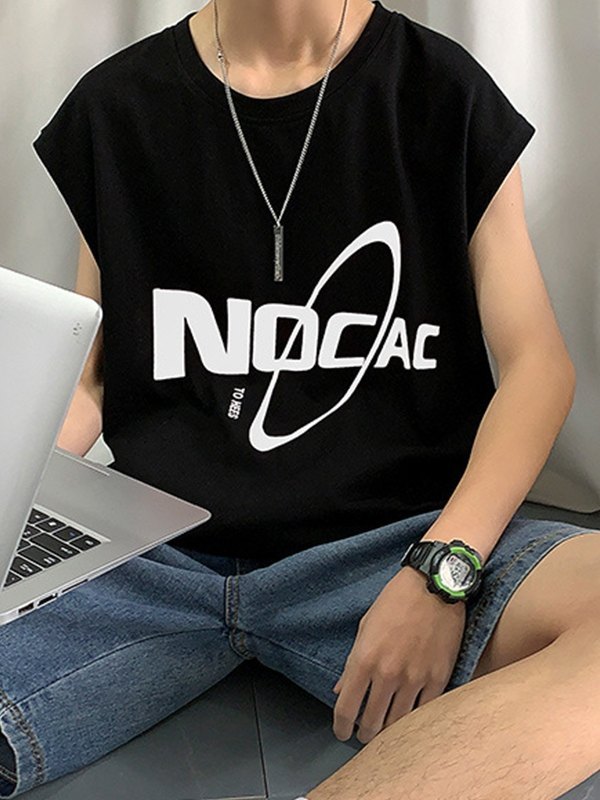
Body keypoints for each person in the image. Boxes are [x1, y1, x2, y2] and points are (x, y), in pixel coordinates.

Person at [5, 0, 597, 797]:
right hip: (150, 555)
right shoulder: (118, 106)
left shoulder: (440, 93)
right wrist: (12, 498)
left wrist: (443, 569)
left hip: (391, 545)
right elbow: (92, 381)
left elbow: (539, 366)